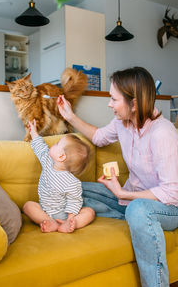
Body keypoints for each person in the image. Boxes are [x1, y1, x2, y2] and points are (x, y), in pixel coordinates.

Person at [57, 66, 178, 287]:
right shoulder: (123, 123)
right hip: (131, 198)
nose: (109, 104)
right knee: (76, 186)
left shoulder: (163, 133)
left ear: (134, 103)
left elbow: (172, 192)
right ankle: (131, 217)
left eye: (114, 99)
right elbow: (99, 137)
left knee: (138, 209)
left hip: (168, 207)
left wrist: (122, 193)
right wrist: (69, 116)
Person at [23, 119, 95, 233]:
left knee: (89, 212)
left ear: (61, 156)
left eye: (57, 144)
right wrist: (34, 133)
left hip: (63, 214)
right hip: (44, 210)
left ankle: (71, 224)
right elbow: (40, 148)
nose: (53, 144)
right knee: (28, 206)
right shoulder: (47, 160)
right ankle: (49, 221)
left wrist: (70, 218)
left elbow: (74, 201)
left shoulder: (73, 182)